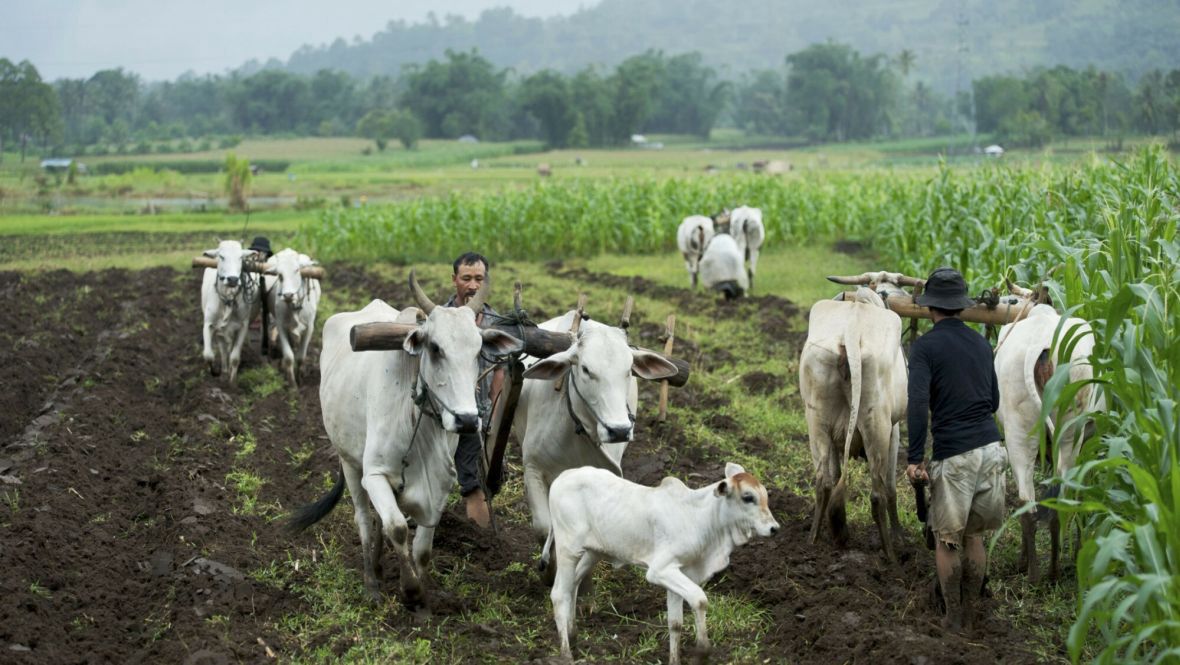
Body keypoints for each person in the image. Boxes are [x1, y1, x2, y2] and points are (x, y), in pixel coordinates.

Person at [905, 267, 1006, 633]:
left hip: (957, 455)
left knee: (947, 540)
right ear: (961, 307)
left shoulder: (925, 348)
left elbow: (916, 404)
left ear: (930, 307)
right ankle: (975, 606)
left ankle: (953, 617)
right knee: (974, 535)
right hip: (992, 449)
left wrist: (915, 457)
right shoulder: (982, 343)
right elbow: (993, 400)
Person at [445, 251, 506, 529]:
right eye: (466, 278)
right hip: (442, 417)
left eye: (479, 279)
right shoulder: (440, 319)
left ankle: (479, 544)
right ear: (454, 279)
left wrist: (493, 416)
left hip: (476, 416)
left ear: (485, 281)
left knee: (479, 481)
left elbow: (499, 371)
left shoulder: (495, 324)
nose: (472, 285)